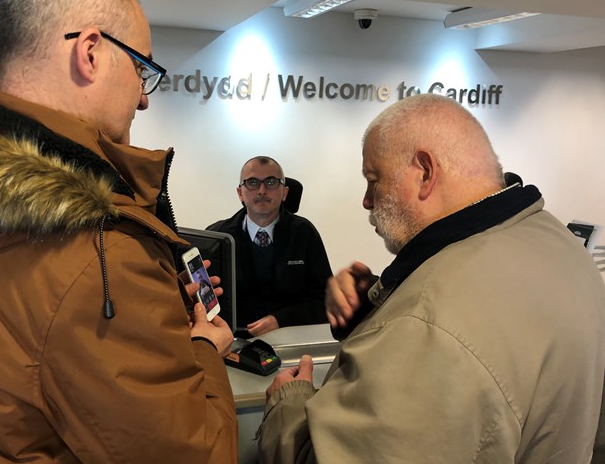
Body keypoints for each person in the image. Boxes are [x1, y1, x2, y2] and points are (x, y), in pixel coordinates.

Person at [0, 0, 237, 463]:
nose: (144, 100)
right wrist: (204, 349)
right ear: (92, 52)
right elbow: (197, 454)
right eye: (142, 68)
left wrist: (156, 309)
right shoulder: (101, 254)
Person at [258, 94, 605, 463]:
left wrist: (289, 401)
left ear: (425, 171)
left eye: (374, 179)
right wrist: (376, 314)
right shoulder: (562, 247)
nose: (366, 200)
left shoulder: (426, 327)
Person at [207, 156, 332, 337]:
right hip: (232, 341)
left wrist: (281, 320)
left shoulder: (304, 234)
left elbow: (325, 300)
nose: (262, 190)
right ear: (240, 193)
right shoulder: (218, 237)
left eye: (271, 182)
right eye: (252, 182)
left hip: (290, 338)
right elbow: (204, 299)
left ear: (285, 193)